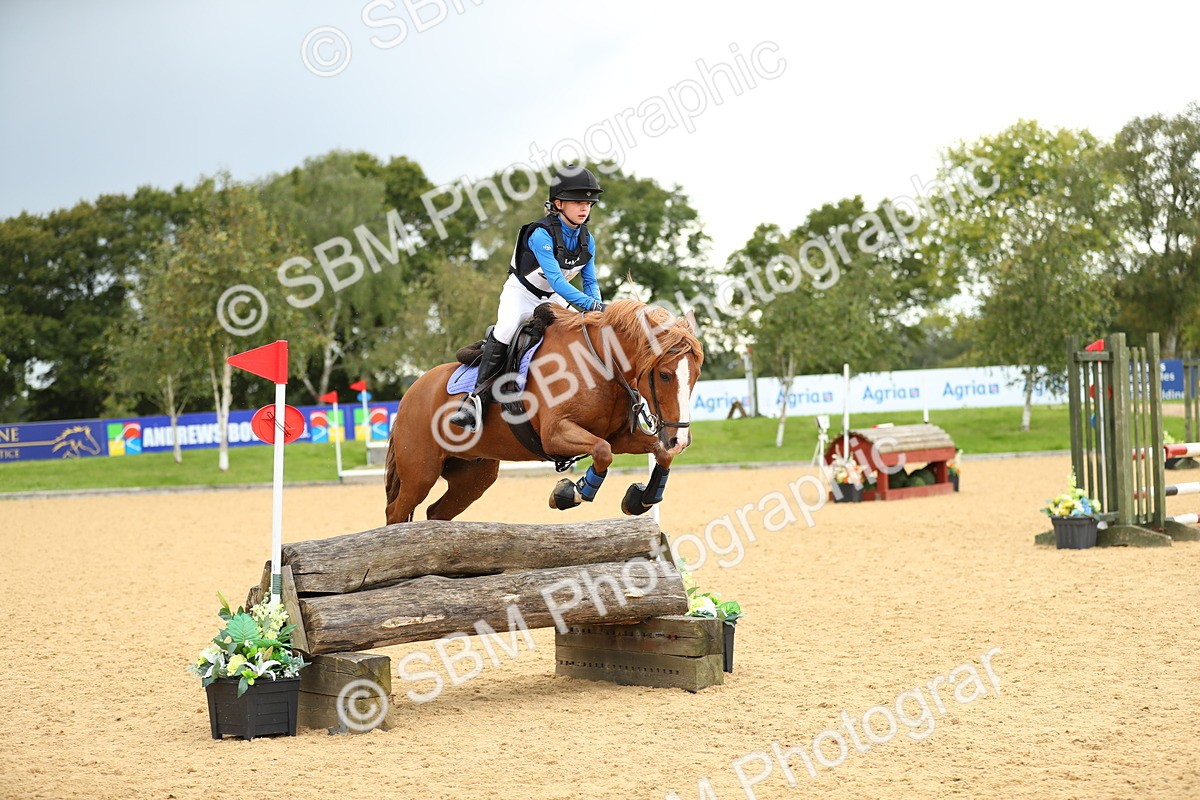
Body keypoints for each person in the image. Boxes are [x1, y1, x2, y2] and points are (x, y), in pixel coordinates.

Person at [449, 165, 606, 431]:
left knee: (583, 331)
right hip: (521, 292)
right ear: (558, 203)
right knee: (508, 328)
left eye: (588, 203)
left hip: (554, 296)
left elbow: (590, 282)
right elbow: (556, 279)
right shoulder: (540, 234)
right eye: (578, 202)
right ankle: (474, 401)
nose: (584, 209)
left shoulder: (587, 240)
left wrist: (598, 312)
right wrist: (591, 305)